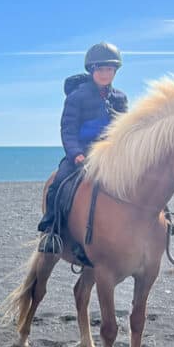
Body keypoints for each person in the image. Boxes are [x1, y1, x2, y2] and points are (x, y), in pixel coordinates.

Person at [37, 41, 128, 253]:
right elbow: (67, 129)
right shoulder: (77, 97)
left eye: (109, 69)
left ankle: (161, 221)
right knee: (59, 184)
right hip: (83, 154)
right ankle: (52, 230)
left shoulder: (120, 98)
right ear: (92, 70)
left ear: (115, 71)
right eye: (100, 69)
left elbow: (125, 131)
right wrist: (76, 154)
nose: (105, 74)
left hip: (112, 156)